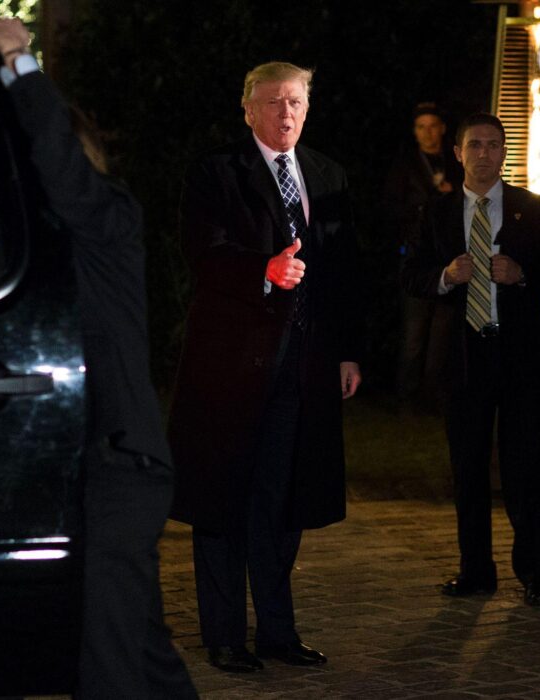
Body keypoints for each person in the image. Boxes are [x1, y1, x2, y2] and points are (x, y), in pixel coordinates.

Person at [0, 18, 197, 699]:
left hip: (123, 466)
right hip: (106, 464)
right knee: (139, 642)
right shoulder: (74, 242)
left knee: (104, 659)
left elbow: (61, 169)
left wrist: (20, 62)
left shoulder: (109, 215)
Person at [166, 61, 363, 673]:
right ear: (248, 108)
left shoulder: (327, 174)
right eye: (275, 102)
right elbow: (203, 251)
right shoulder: (216, 171)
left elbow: (345, 271)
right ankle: (224, 636)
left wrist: (348, 349)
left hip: (303, 368)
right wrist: (263, 272)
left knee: (284, 501)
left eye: (297, 102)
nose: (287, 114)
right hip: (231, 367)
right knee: (224, 498)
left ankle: (278, 632)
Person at [401, 113, 540, 606]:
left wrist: (522, 273)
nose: (483, 154)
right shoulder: (435, 212)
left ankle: (537, 575)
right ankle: (476, 570)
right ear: (457, 153)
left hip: (519, 355)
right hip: (461, 355)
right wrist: (445, 276)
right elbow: (410, 273)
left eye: (493, 145)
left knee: (526, 466)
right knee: (468, 466)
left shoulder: (535, 208)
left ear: (504, 153)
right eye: (474, 145)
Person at [384, 103, 463, 409]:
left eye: (433, 126)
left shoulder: (456, 162)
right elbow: (390, 208)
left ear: (443, 128)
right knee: (414, 330)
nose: (428, 133)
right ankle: (408, 395)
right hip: (417, 256)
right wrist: (426, 206)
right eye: (421, 127)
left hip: (450, 256)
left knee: (443, 331)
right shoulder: (405, 164)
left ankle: (434, 394)